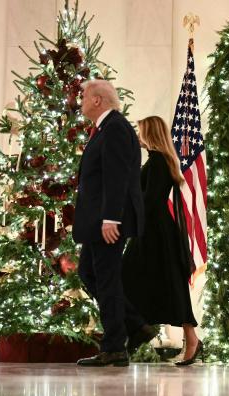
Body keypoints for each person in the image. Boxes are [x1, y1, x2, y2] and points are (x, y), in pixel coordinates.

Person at [74, 79, 154, 367]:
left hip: (107, 221)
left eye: (84, 96)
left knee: (105, 279)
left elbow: (116, 177)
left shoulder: (116, 128)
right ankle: (134, 325)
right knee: (89, 273)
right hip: (98, 221)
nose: (79, 100)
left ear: (98, 100)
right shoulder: (106, 128)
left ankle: (115, 347)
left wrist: (111, 218)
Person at [121, 116, 200, 366]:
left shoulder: (157, 161)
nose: (137, 135)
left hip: (154, 233)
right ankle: (137, 331)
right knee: (167, 283)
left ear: (150, 133)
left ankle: (139, 332)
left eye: (140, 131)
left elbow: (151, 200)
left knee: (134, 279)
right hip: (155, 230)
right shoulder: (158, 160)